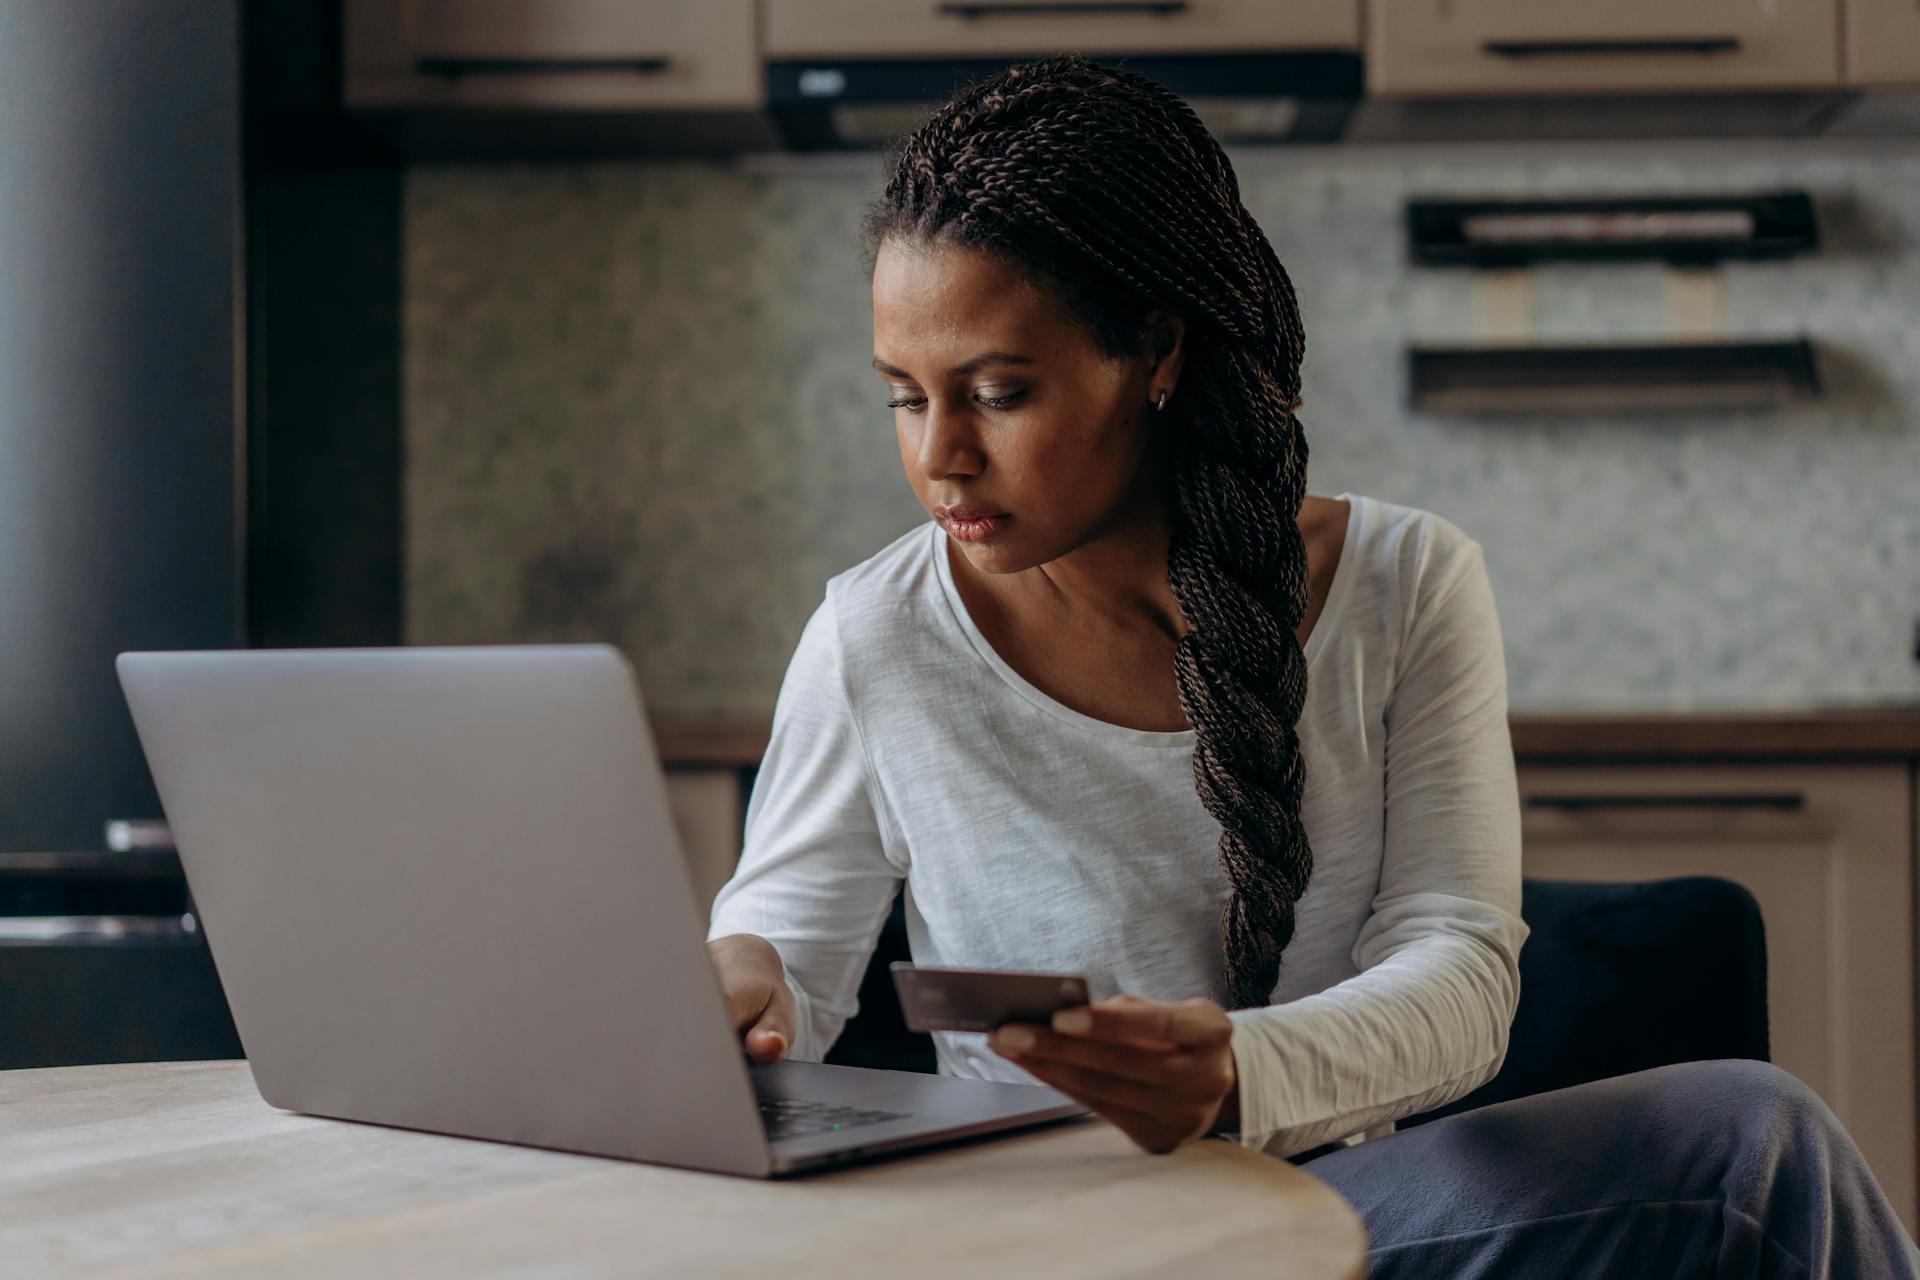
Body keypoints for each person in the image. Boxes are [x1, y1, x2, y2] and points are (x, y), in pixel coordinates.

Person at [704, 54, 1919, 1276]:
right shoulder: (874, 633)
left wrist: (1240, 1070)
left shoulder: (1407, 582)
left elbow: (1459, 973)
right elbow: (782, 948)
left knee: (1760, 1138)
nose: (943, 457)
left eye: (999, 391)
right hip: (1046, 1226)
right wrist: (744, 982)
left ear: (1157, 353)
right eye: (905, 399)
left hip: (1358, 1203)